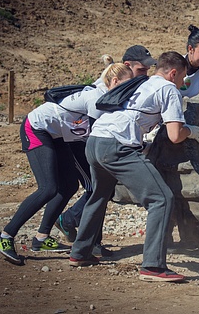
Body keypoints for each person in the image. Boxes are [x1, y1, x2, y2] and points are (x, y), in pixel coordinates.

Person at [69, 51, 199, 283]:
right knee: (161, 199)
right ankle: (152, 266)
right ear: (173, 74)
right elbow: (174, 135)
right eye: (182, 78)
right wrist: (191, 131)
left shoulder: (143, 82)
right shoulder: (168, 89)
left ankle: (80, 252)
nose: (182, 83)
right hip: (116, 146)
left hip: (94, 141)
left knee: (99, 195)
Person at [0, 61, 135, 265]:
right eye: (126, 85)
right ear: (115, 81)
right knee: (48, 188)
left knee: (68, 186)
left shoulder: (105, 93)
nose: (128, 90)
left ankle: (41, 238)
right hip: (37, 128)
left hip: (57, 134)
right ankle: (4, 236)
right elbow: (97, 137)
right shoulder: (96, 98)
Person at [55, 45, 158, 256]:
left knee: (102, 190)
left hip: (92, 139)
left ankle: (85, 241)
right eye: (141, 70)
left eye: (148, 71)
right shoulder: (104, 91)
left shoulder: (124, 84)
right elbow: (99, 125)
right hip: (80, 140)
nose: (145, 75)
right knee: (97, 189)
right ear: (127, 67)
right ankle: (72, 223)